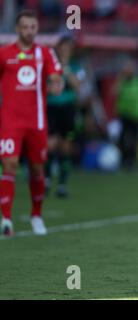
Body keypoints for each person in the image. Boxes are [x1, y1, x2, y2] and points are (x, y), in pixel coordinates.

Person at [0, 10, 63, 237]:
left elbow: (56, 74)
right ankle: (6, 219)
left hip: (36, 122)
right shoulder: (4, 54)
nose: (29, 31)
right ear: (17, 29)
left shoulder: (44, 53)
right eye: (25, 27)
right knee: (10, 164)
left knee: (37, 169)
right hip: (10, 121)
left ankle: (36, 215)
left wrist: (56, 82)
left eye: (33, 27)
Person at [45, 34, 83, 198]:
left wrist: (65, 68)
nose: (65, 51)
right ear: (58, 49)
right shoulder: (49, 66)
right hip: (51, 108)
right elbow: (45, 86)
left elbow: (77, 86)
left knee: (66, 146)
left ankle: (62, 184)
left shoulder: (75, 67)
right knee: (50, 145)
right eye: (63, 47)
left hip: (68, 109)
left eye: (68, 48)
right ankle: (46, 179)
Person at [113, 58, 138, 170]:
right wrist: (119, 79)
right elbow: (113, 92)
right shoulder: (121, 81)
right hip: (124, 114)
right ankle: (124, 160)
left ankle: (133, 161)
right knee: (123, 138)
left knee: (134, 139)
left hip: (136, 115)